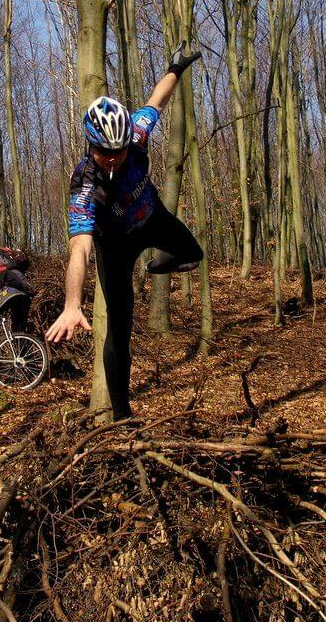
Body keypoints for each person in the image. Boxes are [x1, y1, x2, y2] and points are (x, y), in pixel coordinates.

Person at [46, 42, 204, 420]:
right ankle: (121, 414)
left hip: (151, 219)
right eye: (106, 153)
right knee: (119, 332)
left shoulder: (135, 134)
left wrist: (176, 68)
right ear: (91, 145)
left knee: (193, 252)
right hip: (113, 246)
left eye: (119, 151)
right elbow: (79, 249)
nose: (115, 158)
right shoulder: (84, 184)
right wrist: (72, 305)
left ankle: (153, 267)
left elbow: (157, 101)